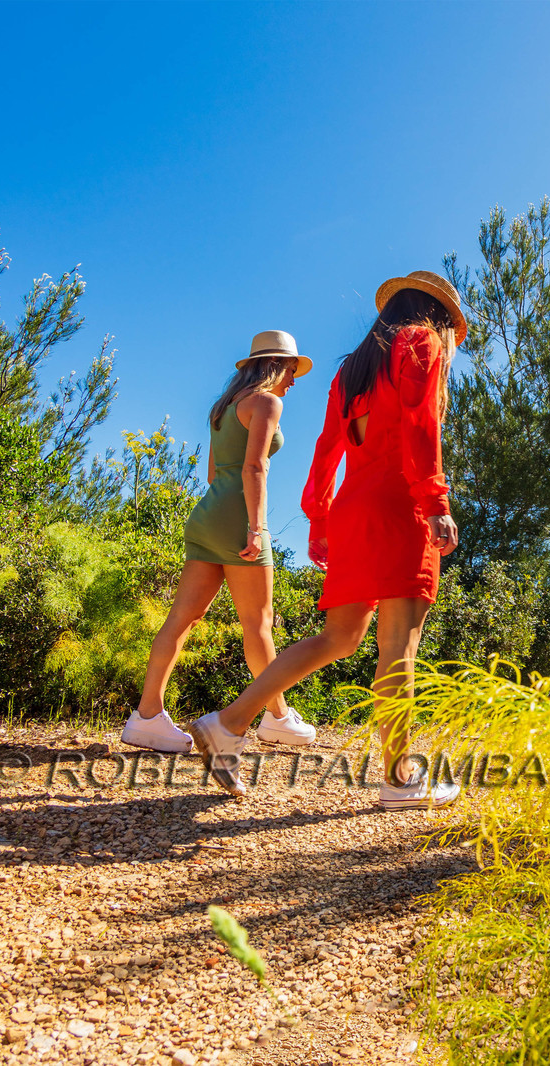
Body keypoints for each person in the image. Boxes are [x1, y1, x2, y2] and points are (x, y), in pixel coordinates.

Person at [189, 271, 464, 809]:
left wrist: (320, 518)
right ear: (437, 315)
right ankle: (400, 779)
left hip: (354, 510)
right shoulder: (422, 341)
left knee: (336, 638)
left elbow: (328, 446)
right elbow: (420, 427)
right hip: (400, 505)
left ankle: (229, 723)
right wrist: (436, 503)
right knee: (399, 647)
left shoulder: (353, 367)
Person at [120, 330, 318, 754]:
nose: (293, 380)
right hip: (238, 520)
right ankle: (278, 717)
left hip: (208, 515)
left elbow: (213, 474)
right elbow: (254, 468)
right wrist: (256, 527)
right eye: (291, 370)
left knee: (182, 618)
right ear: (275, 366)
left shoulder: (223, 408)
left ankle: (146, 717)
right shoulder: (267, 403)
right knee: (259, 624)